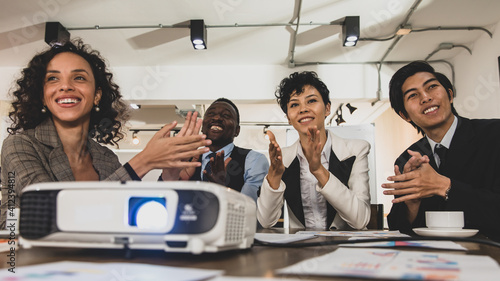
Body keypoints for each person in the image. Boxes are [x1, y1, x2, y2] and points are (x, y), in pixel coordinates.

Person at [0, 39, 210, 228]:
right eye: (53, 79)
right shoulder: (20, 145)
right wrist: (144, 161)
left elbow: (130, 215)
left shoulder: (105, 159)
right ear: (43, 96)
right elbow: (51, 212)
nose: (65, 86)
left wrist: (169, 176)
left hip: (94, 265)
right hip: (25, 264)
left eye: (79, 78)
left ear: (97, 96)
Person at [383, 61, 500, 241]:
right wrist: (412, 204)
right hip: (433, 260)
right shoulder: (407, 159)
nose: (426, 98)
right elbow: (398, 230)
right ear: (405, 115)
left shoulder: (494, 135)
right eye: (413, 95)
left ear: (450, 94)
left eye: (431, 87)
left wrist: (444, 186)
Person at [257, 71, 371, 230]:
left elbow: (360, 220)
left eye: (311, 101)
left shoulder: (356, 150)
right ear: (289, 118)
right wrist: (274, 176)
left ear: (327, 108)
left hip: (345, 249)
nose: (303, 109)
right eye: (294, 104)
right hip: (301, 250)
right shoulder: (284, 158)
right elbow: (266, 222)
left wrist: (318, 170)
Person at [164, 98, 269, 202]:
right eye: (210, 114)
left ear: (237, 131)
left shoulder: (253, 161)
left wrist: (221, 190)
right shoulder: (186, 160)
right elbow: (163, 203)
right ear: (202, 127)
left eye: (226, 115)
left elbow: (250, 210)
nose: (217, 118)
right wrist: (172, 177)